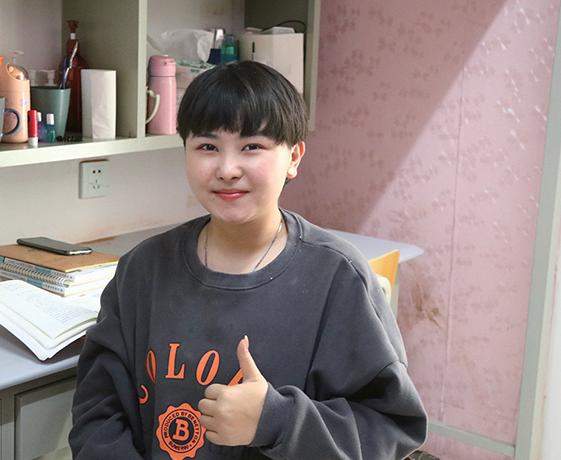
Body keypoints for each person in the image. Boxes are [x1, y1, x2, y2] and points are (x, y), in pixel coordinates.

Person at [69, 60, 427, 460]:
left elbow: (391, 429)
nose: (227, 170)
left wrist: (277, 421)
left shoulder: (337, 277)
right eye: (207, 147)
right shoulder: (143, 270)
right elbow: (97, 412)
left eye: (252, 146)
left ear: (294, 157)